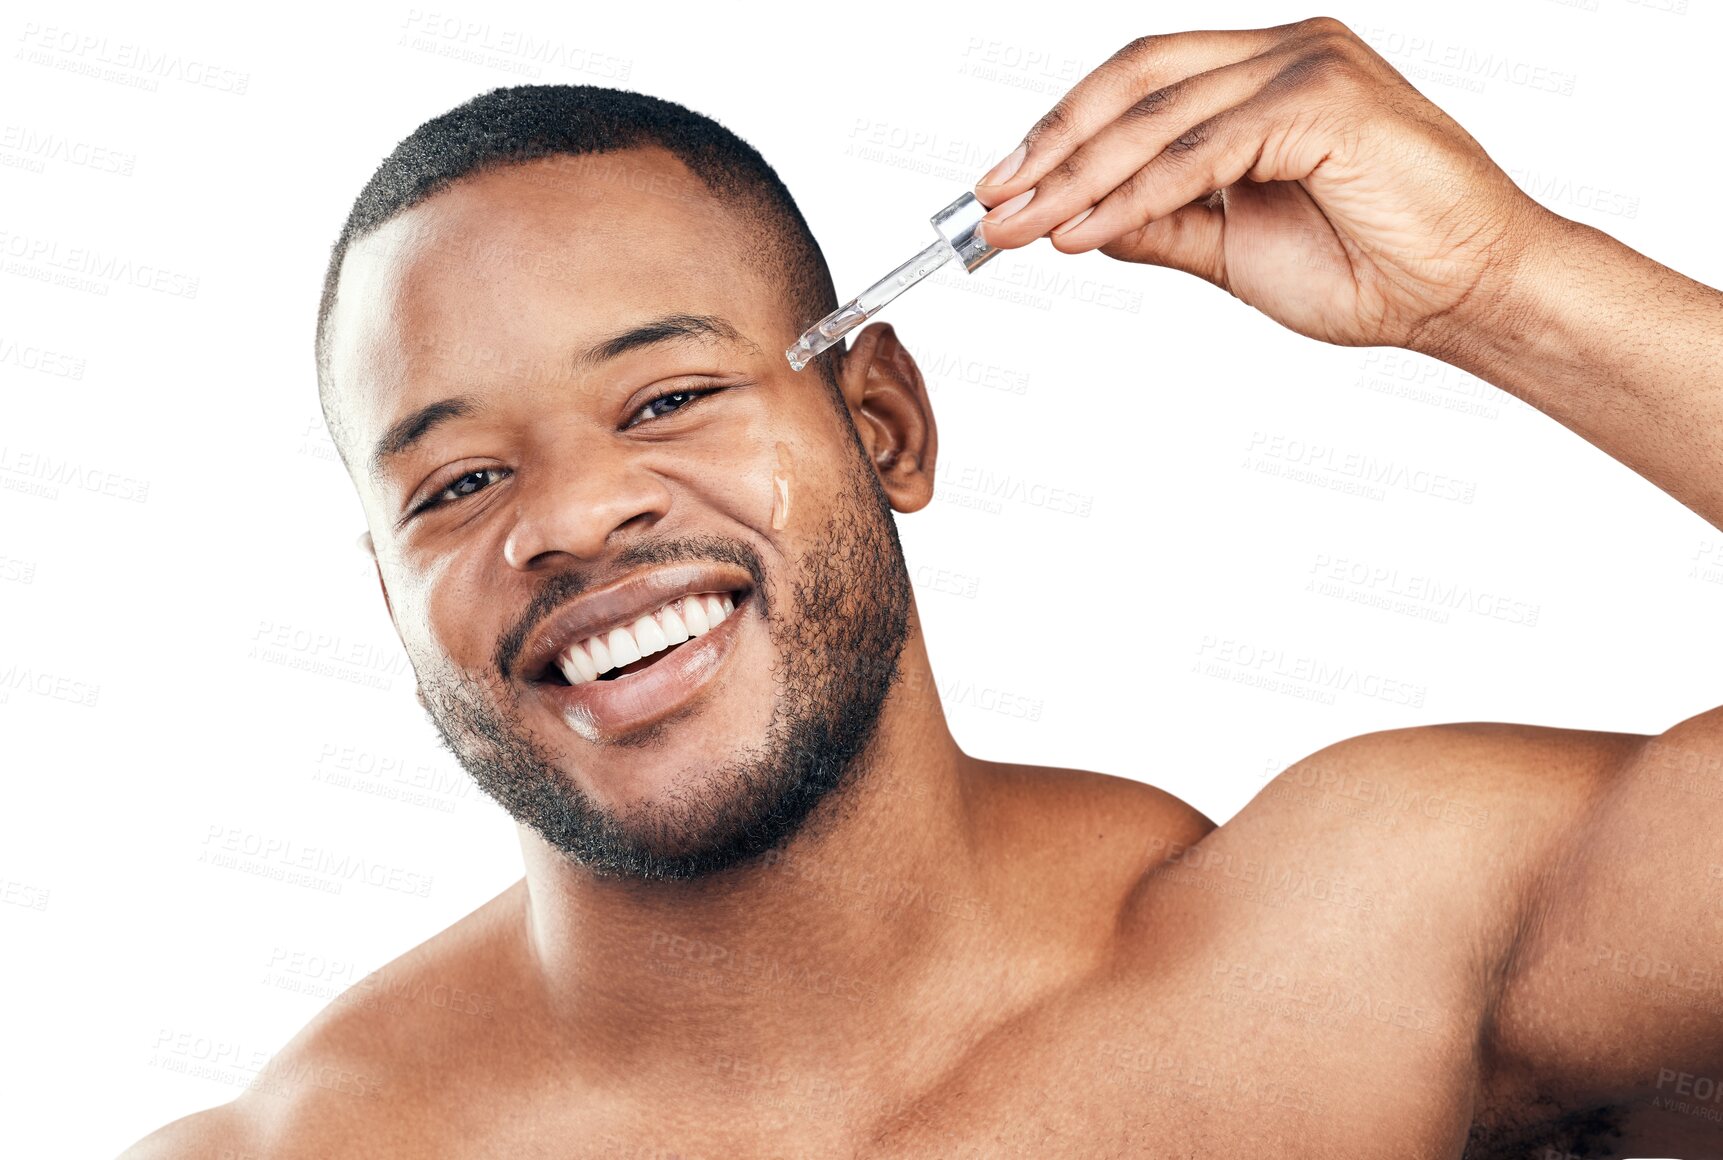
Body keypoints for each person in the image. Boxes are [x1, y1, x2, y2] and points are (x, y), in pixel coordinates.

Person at [122, 16, 1723, 1159]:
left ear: (883, 419)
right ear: (388, 596)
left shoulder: (1357, 952)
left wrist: (1503, 286)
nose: (576, 516)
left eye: (669, 397)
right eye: (459, 485)